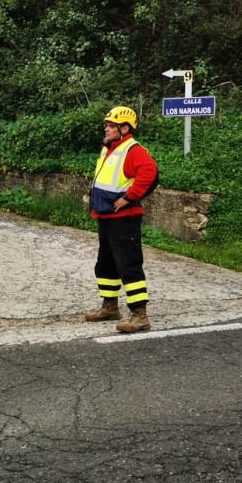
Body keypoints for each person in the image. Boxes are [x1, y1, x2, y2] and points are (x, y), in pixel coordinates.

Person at [83, 106, 159, 332]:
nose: (106, 128)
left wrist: (129, 198)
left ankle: (139, 315)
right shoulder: (110, 149)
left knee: (129, 266)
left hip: (123, 218)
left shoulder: (132, 149)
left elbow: (150, 173)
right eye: (106, 125)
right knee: (105, 264)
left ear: (125, 128)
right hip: (106, 217)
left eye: (110, 125)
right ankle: (109, 307)